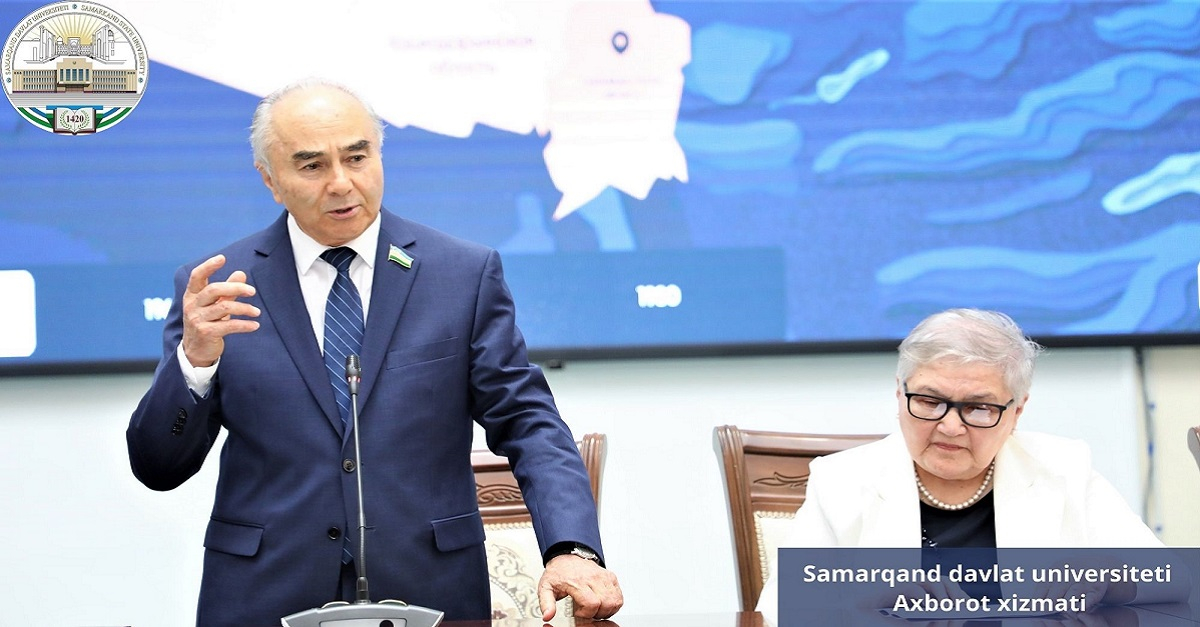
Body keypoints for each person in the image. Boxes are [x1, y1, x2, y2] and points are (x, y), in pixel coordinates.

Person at [127, 78, 622, 627]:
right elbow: (158, 467)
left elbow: (529, 421)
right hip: (261, 598)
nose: (342, 183)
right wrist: (195, 362)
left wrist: (572, 547)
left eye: (357, 157)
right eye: (312, 165)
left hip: (429, 594)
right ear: (270, 180)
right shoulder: (221, 290)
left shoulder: (460, 275)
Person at [756, 308, 1186, 623]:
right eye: (929, 400)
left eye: (978, 408)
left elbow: (1174, 580)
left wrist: (1110, 579)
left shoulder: (1063, 468)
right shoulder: (841, 480)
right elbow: (780, 610)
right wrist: (860, 604)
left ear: (1016, 412)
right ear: (899, 394)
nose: (950, 426)